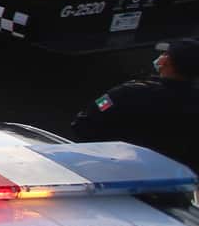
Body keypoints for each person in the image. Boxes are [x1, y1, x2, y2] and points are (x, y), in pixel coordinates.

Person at [69, 39, 199, 169]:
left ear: (165, 61)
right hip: (179, 176)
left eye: (165, 54)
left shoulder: (125, 92)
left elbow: (84, 122)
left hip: (123, 169)